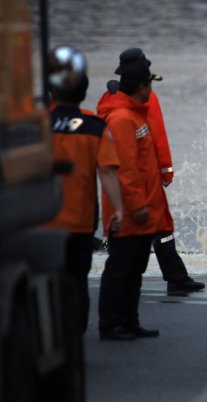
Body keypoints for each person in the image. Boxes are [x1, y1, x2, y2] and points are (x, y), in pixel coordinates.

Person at [99, 48, 205, 296]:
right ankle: (175, 277)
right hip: (145, 175)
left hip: (120, 183)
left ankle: (173, 276)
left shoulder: (107, 100)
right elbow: (156, 134)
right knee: (160, 226)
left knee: (136, 240)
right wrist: (166, 170)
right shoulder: (144, 101)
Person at [44, 70, 124, 334]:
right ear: (83, 93)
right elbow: (108, 171)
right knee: (77, 281)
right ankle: (73, 341)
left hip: (42, 222)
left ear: (52, 92)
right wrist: (119, 209)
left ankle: (50, 335)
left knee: (47, 282)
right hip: (79, 221)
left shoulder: (36, 125)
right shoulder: (94, 127)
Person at [96, 62, 167, 340]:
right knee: (120, 268)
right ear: (141, 87)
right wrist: (136, 206)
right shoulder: (123, 119)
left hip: (141, 210)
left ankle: (129, 320)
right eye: (150, 84)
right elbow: (125, 168)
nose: (152, 89)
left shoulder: (135, 116)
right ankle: (111, 323)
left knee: (135, 267)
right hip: (127, 211)